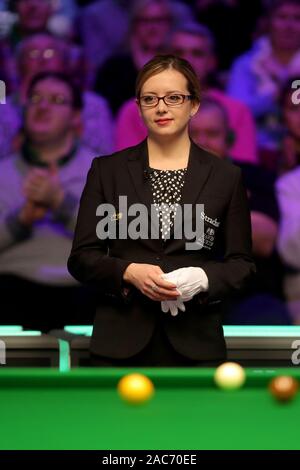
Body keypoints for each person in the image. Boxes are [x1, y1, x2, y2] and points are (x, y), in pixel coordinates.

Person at [68, 54, 255, 367]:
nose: (161, 107)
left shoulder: (226, 176)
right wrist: (128, 272)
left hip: (196, 342)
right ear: (139, 107)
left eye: (174, 97)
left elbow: (242, 265)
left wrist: (203, 277)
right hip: (119, 343)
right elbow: (82, 258)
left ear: (194, 105)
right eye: (150, 98)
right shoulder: (107, 171)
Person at [0, 72, 97, 331]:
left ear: (75, 116)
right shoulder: (2, 172)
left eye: (56, 100)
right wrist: (22, 219)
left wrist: (59, 201)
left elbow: (117, 240)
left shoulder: (102, 171)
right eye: (35, 98)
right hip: (11, 288)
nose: (43, 106)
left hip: (83, 291)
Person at [190, 97, 290, 325]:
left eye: (212, 134)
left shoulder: (256, 178)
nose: (202, 142)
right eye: (193, 134)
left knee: (268, 315)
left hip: (248, 298)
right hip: (183, 298)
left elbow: (264, 239)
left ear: (229, 139)